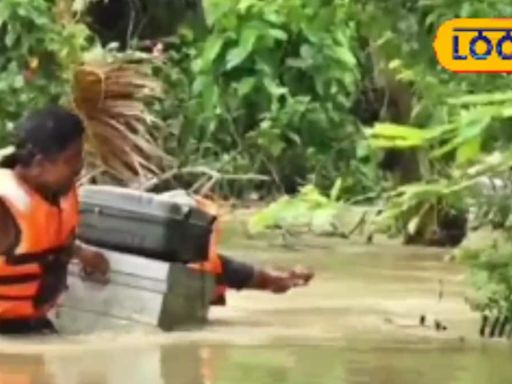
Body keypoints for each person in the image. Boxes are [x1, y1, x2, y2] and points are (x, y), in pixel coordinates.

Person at [0, 105, 110, 334]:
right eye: (71, 159)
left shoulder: (58, 193)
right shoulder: (5, 208)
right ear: (39, 164)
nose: (79, 167)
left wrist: (80, 253)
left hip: (34, 327)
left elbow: (40, 244)